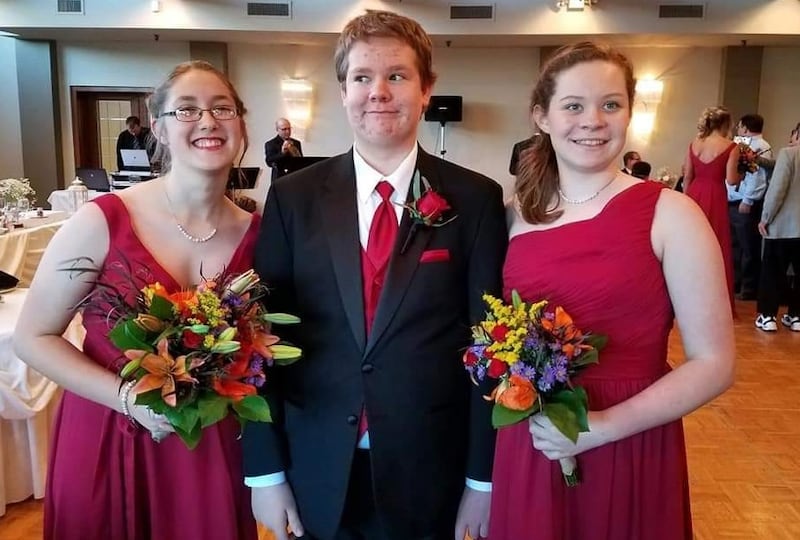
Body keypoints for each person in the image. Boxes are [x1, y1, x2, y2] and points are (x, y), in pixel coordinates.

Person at [243, 9, 507, 540]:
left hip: (431, 467)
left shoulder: (476, 199)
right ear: (343, 90)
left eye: (397, 76)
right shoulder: (293, 199)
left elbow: (489, 346)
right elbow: (261, 339)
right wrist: (266, 472)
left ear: (427, 89)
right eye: (362, 77)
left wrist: (482, 480)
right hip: (316, 461)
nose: (378, 92)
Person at [490, 42, 735, 539]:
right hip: (533, 439)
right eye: (574, 106)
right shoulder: (513, 216)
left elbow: (716, 364)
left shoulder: (672, 213)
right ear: (542, 116)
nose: (593, 120)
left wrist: (597, 428)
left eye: (610, 104)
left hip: (628, 438)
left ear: (629, 111)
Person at [13, 60, 259, 540]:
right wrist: (129, 399)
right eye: (186, 109)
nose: (207, 121)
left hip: (210, 444)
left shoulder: (263, 231)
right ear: (159, 128)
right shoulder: (101, 220)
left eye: (222, 108)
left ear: (240, 124)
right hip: (109, 430)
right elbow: (32, 336)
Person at [683, 105, 741, 313]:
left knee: (689, 247)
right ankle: (713, 303)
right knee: (716, 247)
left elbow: (687, 178)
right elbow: (731, 180)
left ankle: (684, 299)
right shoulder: (731, 146)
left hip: (694, 195)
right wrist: (744, 172)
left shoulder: (694, 144)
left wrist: (684, 204)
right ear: (725, 123)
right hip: (715, 196)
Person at [755, 122, 800, 332]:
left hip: (783, 225)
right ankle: (796, 316)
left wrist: (765, 218)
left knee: (772, 271)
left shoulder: (789, 154)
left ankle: (768, 316)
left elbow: (777, 190)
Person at [728, 114, 772, 300]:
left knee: (748, 246)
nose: (738, 130)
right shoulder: (742, 143)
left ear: (745, 127)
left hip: (745, 202)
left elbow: (757, 176)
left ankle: (748, 287)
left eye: (739, 126)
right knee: (735, 245)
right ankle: (736, 282)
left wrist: (748, 199)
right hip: (734, 199)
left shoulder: (760, 147)